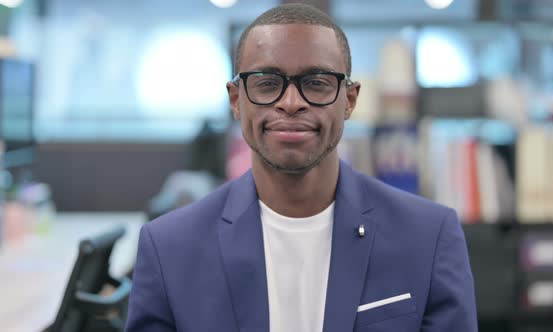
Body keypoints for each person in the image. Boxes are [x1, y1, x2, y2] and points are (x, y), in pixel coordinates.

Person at [126, 3, 477, 332]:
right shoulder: (169, 247)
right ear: (236, 100)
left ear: (350, 100)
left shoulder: (429, 236)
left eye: (316, 83)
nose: (291, 103)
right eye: (266, 83)